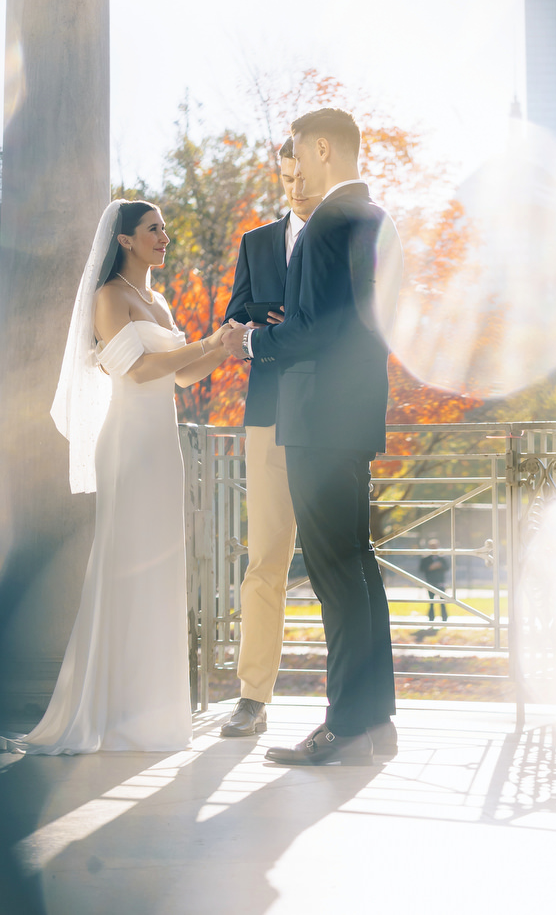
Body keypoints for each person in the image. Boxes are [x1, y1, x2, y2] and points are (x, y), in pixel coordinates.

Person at [16, 199, 230, 754]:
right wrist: (205, 343)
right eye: (153, 228)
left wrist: (228, 346)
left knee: (160, 571)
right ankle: (111, 713)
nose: (164, 235)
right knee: (124, 567)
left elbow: (181, 375)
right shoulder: (109, 298)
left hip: (163, 448)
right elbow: (135, 371)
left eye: (164, 227)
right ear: (126, 240)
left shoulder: (156, 299)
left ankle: (149, 714)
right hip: (129, 446)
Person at [223, 107, 402, 766]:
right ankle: (376, 720)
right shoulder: (372, 215)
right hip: (350, 416)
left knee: (335, 574)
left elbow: (316, 330)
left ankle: (346, 725)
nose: (292, 162)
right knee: (357, 569)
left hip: (318, 417)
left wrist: (253, 342)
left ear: (323, 148)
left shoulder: (328, 223)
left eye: (297, 149)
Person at [219, 138, 323, 738]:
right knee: (265, 561)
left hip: (328, 420)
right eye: (287, 176)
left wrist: (290, 324)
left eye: (303, 173)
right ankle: (252, 698)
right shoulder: (256, 243)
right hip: (267, 418)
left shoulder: (338, 239)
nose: (296, 186)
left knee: (340, 562)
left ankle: (348, 706)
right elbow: (235, 323)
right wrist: (273, 323)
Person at [419, 548, 448, 625]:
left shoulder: (442, 558)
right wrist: (430, 567)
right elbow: (422, 568)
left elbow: (447, 567)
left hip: (440, 582)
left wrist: (439, 565)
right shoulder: (426, 559)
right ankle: (431, 619)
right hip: (430, 582)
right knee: (431, 602)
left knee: (443, 602)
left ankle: (444, 619)